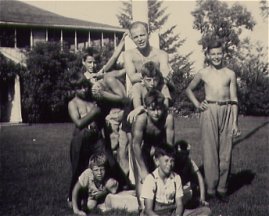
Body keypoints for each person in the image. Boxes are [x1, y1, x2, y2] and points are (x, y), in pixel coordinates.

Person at [185, 40, 240, 202]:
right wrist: (197, 103)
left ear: (224, 54)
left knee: (226, 151)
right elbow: (188, 89)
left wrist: (235, 122)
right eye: (213, 54)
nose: (216, 57)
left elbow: (234, 98)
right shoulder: (203, 73)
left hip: (227, 110)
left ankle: (222, 188)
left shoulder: (230, 74)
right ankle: (210, 189)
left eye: (219, 53)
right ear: (208, 55)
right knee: (210, 151)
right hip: (209, 110)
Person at [131, 89, 175, 206]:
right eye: (153, 109)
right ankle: (143, 208)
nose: (156, 113)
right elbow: (135, 145)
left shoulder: (168, 119)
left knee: (163, 177)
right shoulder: (142, 119)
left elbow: (169, 145)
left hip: (159, 147)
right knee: (143, 182)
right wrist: (143, 170)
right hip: (141, 148)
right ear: (146, 109)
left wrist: (167, 166)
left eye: (159, 109)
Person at [141, 145, 211, 216]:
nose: (169, 164)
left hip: (172, 212)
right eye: (166, 161)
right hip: (155, 213)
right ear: (157, 161)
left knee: (206, 211)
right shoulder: (151, 179)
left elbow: (179, 204)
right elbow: (148, 210)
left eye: (172, 161)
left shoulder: (176, 178)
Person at [67, 72, 105, 204]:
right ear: (74, 90)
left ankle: (94, 193)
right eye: (80, 87)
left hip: (96, 136)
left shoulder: (91, 101)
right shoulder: (73, 103)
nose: (84, 89)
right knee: (79, 167)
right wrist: (94, 112)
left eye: (85, 86)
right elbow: (78, 123)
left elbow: (100, 119)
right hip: (81, 137)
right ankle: (72, 197)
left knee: (101, 163)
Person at [124, 21, 174, 91]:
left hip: (158, 89)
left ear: (148, 34)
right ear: (132, 39)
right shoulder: (129, 54)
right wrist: (156, 74)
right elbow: (132, 77)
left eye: (142, 35)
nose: (139, 39)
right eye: (135, 37)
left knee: (164, 88)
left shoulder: (161, 54)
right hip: (138, 91)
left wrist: (144, 76)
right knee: (136, 88)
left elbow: (165, 75)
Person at [174, 140, 209, 209]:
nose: (184, 157)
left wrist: (202, 197)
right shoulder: (172, 163)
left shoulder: (188, 161)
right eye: (181, 154)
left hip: (186, 186)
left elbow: (199, 177)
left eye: (186, 154)